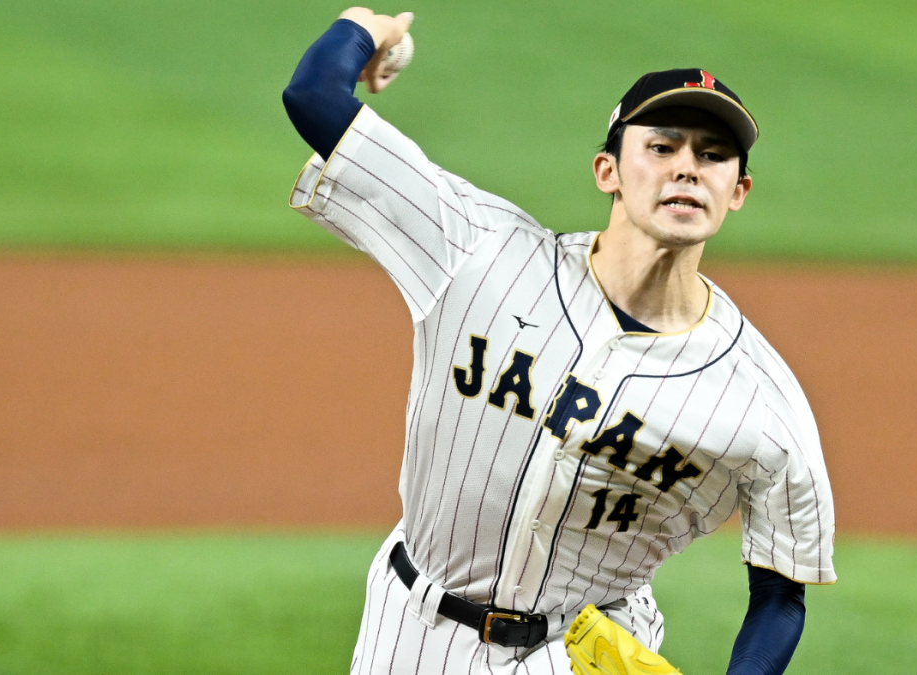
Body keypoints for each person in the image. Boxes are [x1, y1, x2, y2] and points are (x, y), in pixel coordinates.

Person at [282, 8, 836, 675]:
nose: (688, 168)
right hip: (409, 627)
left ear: (737, 190)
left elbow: (781, 592)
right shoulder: (480, 250)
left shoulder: (761, 402)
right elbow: (312, 96)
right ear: (608, 170)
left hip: (573, 655)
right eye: (663, 147)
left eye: (713, 155)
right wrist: (366, 28)